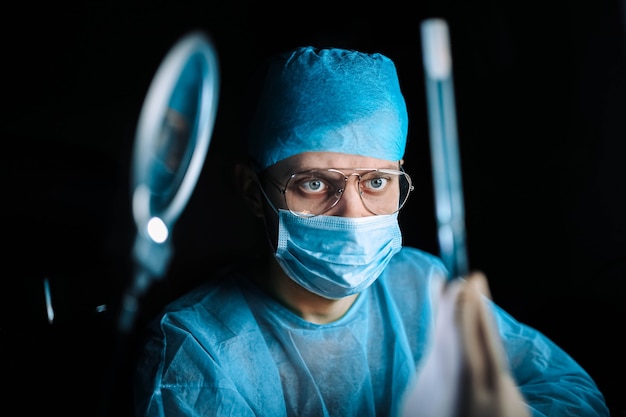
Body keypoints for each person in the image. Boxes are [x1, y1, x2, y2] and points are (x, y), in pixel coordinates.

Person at [133, 45, 609, 417]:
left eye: (377, 182)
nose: (354, 215)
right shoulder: (198, 352)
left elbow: (573, 392)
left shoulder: (423, 288)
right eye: (315, 183)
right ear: (254, 192)